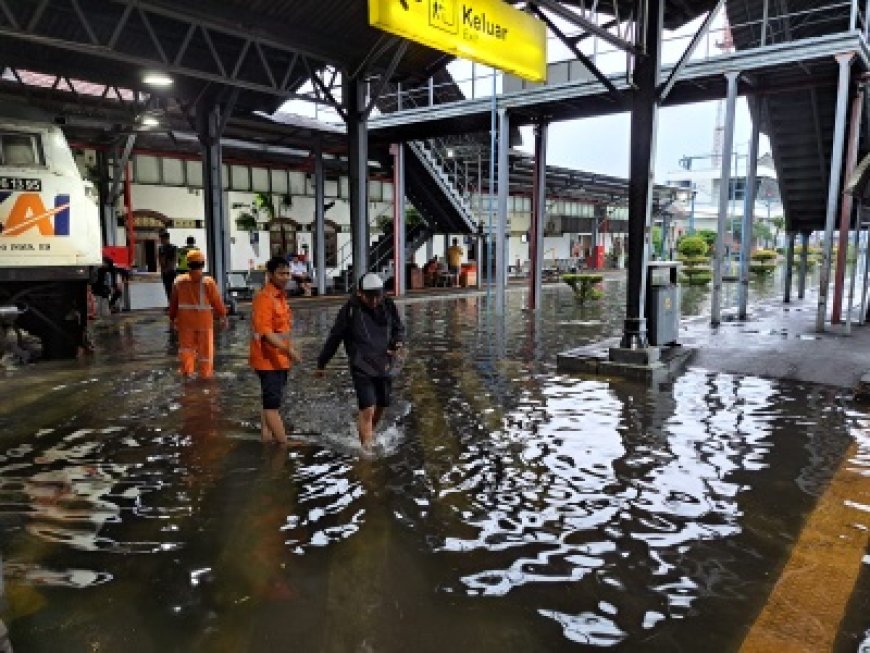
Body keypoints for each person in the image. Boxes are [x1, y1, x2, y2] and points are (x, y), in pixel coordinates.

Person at [315, 273, 405, 452]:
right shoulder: (349, 311)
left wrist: (398, 343)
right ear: (359, 293)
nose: (373, 301)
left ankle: (368, 432)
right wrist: (322, 363)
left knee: (382, 404)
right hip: (361, 365)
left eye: (377, 296)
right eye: (369, 297)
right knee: (368, 408)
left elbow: (398, 328)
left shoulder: (387, 305)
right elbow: (334, 338)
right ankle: (367, 451)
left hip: (385, 364)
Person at [249, 256, 301, 444]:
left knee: (269, 402)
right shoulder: (265, 298)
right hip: (268, 360)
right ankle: (283, 444)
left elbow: (283, 331)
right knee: (272, 406)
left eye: (288, 273)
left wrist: (289, 350)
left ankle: (267, 436)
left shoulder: (281, 297)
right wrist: (289, 351)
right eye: (281, 273)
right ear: (270, 275)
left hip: (279, 359)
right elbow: (266, 333)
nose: (286, 277)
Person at [168, 249, 228, 379]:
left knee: (186, 350)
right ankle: (205, 377)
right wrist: (223, 315)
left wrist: (172, 318)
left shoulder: (179, 281)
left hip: (185, 323)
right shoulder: (208, 282)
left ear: (188, 264)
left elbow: (173, 303)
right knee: (205, 353)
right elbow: (217, 302)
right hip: (204, 323)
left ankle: (187, 374)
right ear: (203, 264)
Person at [157, 230, 177, 302]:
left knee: (172, 288)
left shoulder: (173, 248)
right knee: (167, 288)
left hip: (171, 271)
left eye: (162, 239)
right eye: (160, 239)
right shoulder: (161, 248)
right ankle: (170, 303)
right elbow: (159, 259)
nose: (161, 240)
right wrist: (162, 269)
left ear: (167, 238)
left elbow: (174, 260)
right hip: (164, 271)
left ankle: (173, 304)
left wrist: (168, 269)